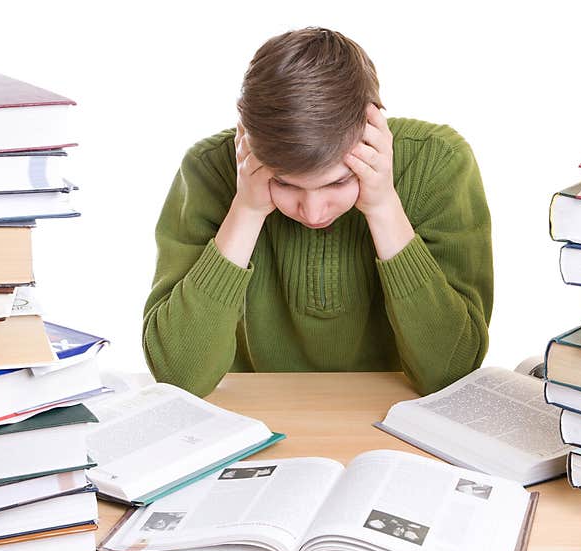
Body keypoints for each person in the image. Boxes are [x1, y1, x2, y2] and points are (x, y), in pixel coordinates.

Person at [143, 27, 493, 397]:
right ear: (246, 139)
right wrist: (246, 209)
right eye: (285, 184)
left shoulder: (439, 161)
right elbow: (179, 377)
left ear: (372, 128)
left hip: (397, 433)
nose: (312, 212)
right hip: (251, 423)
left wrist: (383, 206)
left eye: (339, 182)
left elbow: (452, 375)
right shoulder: (207, 168)